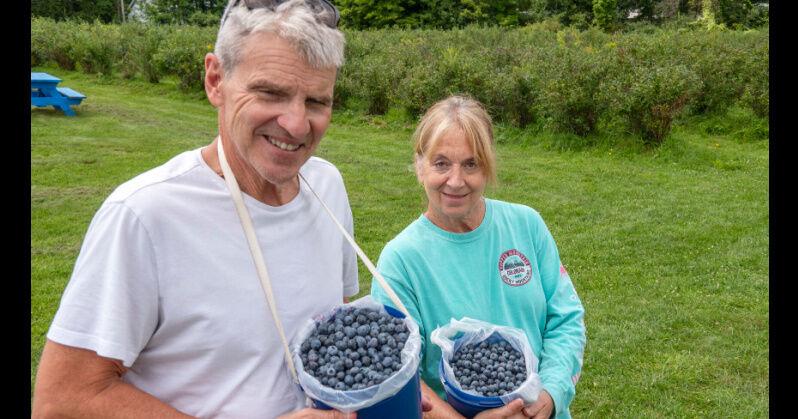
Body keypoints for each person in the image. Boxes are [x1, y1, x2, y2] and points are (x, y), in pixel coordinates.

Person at [32, 1, 361, 417]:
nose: (297, 124)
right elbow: (61, 400)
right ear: (215, 80)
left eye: (316, 101)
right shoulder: (145, 215)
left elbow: (339, 319)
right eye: (271, 93)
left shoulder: (327, 185)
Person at [370, 95, 586, 419]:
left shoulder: (527, 225)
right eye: (441, 163)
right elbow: (398, 374)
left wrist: (549, 396)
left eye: (470, 164)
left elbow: (565, 320)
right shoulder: (401, 261)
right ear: (419, 166)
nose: (456, 181)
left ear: (487, 167)